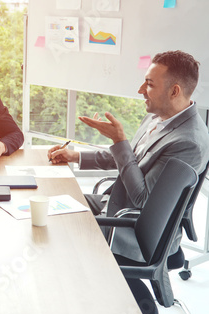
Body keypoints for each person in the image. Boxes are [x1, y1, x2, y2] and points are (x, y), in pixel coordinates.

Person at [48, 50, 209, 262]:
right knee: (50, 207)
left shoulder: (188, 143)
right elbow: (131, 159)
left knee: (57, 233)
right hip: (114, 204)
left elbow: (143, 201)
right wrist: (74, 156)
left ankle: (131, 293)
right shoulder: (158, 117)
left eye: (150, 84)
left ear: (174, 91)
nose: (140, 90)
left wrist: (119, 141)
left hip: (134, 230)